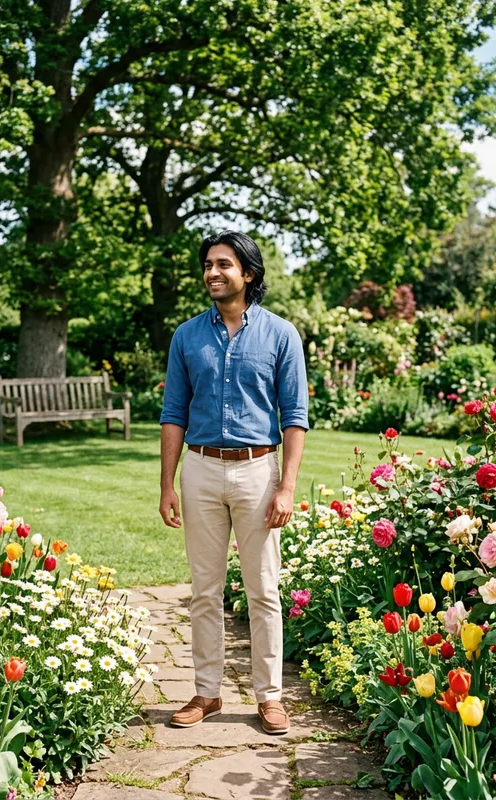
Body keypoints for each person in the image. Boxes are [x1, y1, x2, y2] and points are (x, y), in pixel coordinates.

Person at [158, 230, 308, 735]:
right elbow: (173, 412)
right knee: (205, 590)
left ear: (248, 273)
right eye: (207, 265)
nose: (212, 273)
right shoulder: (186, 336)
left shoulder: (281, 335)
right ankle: (207, 692)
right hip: (199, 469)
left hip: (257, 471)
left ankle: (270, 697)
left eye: (223, 264)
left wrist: (286, 487)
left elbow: (295, 416)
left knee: (263, 588)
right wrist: (167, 485)